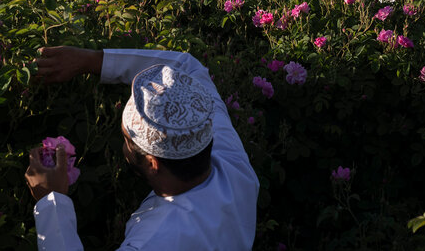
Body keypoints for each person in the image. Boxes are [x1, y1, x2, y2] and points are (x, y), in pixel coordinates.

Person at [25, 46, 259, 250]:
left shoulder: (156, 241)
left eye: (127, 141)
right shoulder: (230, 159)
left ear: (152, 163)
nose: (123, 147)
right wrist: (91, 60)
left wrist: (51, 201)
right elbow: (184, 66)